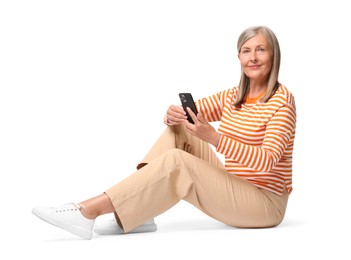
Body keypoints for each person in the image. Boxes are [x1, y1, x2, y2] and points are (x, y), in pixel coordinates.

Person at [32, 25, 297, 240]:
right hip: (235, 185)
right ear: (238, 57)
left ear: (273, 56)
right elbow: (194, 114)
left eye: (260, 50)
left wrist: (214, 138)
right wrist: (174, 115)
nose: (252, 57)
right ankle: (141, 212)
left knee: (178, 163)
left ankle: (87, 212)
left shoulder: (281, 102)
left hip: (265, 203)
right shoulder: (233, 96)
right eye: (246, 51)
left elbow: (267, 161)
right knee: (181, 130)